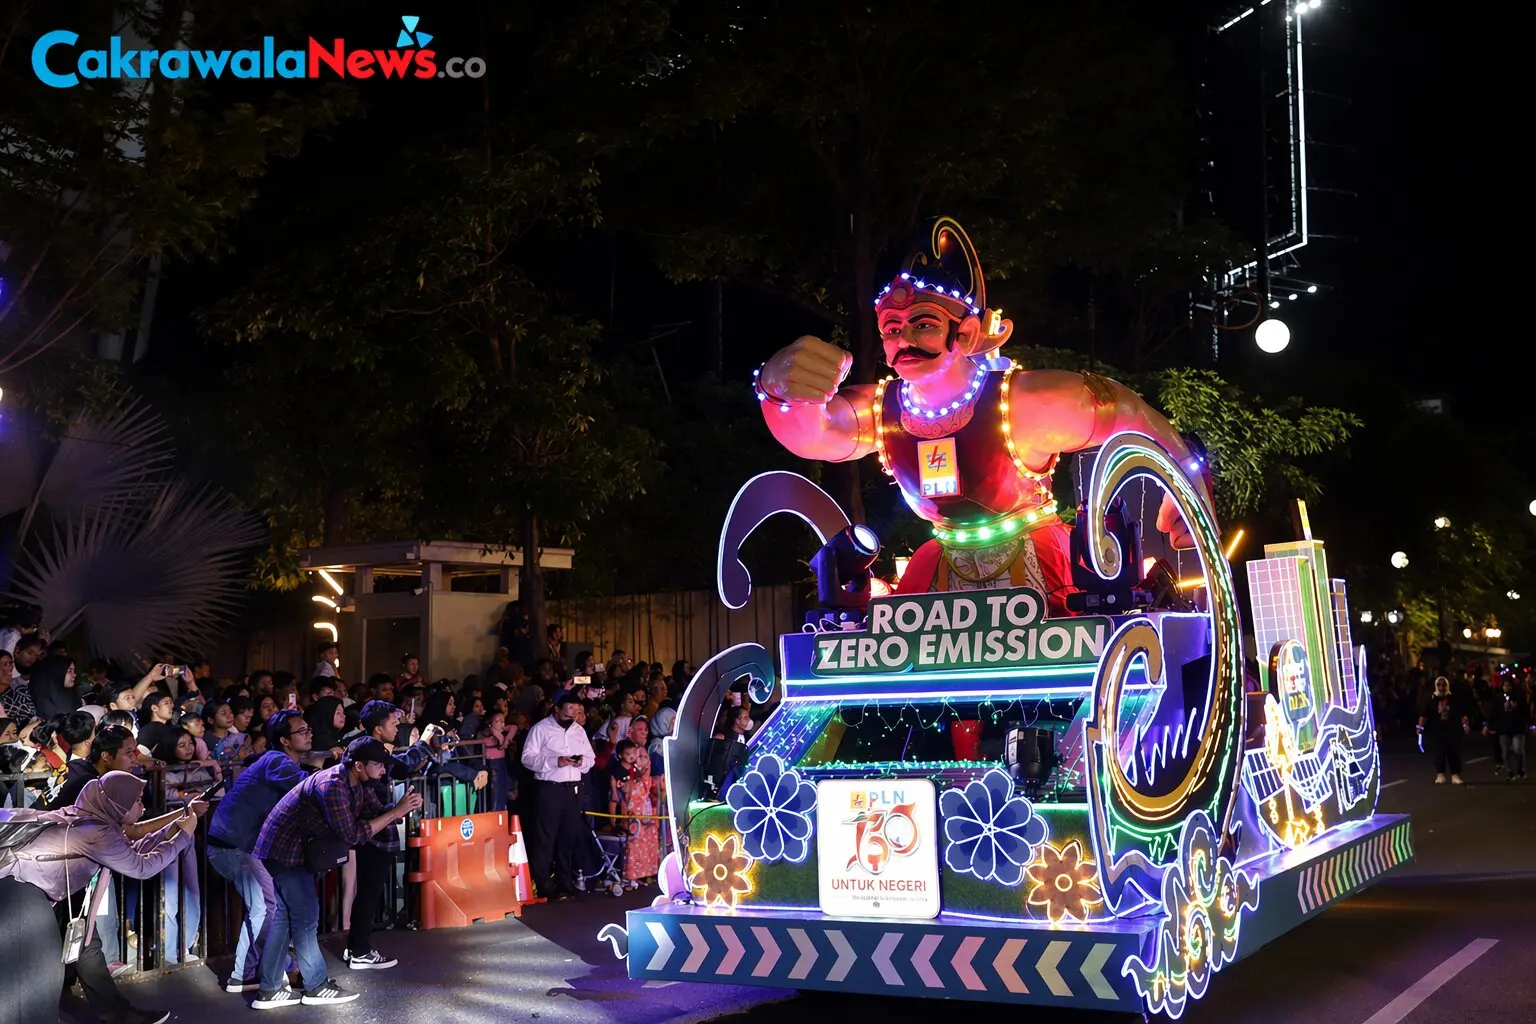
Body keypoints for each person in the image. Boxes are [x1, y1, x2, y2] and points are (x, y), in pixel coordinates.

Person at [754, 216, 1201, 601]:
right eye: (891, 328)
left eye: (923, 324)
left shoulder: (1019, 400)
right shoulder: (881, 410)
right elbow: (815, 433)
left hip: (1039, 563)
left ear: (965, 333)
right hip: (938, 567)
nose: (903, 340)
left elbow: (1127, 410)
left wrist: (1186, 481)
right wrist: (779, 391)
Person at [0, 771, 203, 1024]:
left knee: (87, 950)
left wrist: (174, 828)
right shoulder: (96, 832)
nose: (142, 805)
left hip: (45, 894)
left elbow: (131, 849)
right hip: (21, 897)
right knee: (39, 978)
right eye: (136, 800)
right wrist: (183, 836)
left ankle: (120, 1016)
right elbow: (141, 867)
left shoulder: (93, 820)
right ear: (117, 804)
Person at [250, 736, 422, 1008]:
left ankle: (269, 989)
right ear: (358, 765)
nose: (383, 770)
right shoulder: (332, 785)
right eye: (378, 764)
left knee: (286, 917)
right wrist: (395, 813)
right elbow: (352, 834)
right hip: (283, 850)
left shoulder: (359, 783)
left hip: (294, 850)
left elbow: (374, 813)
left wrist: (402, 806)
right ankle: (316, 986)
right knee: (306, 916)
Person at [207, 709, 312, 993]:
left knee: (268, 906)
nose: (308, 734)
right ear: (284, 740)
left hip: (239, 844)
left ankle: (271, 967)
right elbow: (306, 786)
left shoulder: (275, 762)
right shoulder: (276, 760)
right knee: (265, 907)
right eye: (302, 731)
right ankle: (245, 974)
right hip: (233, 845)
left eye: (309, 729)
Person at [521, 693, 594, 900]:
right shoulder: (541, 729)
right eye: (569, 708)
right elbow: (527, 758)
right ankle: (543, 885)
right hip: (550, 787)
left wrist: (581, 762)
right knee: (546, 837)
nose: (573, 713)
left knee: (568, 836)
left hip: (573, 789)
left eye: (577, 710)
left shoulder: (578, 731)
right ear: (557, 708)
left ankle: (565, 882)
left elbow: (591, 758)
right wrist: (555, 762)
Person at [1419, 676, 1471, 784]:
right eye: (1439, 685)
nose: (1441, 688)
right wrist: (1420, 727)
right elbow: (1424, 715)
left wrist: (1465, 725)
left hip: (1452, 730)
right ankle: (1440, 774)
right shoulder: (1431, 700)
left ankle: (1455, 775)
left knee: (1454, 753)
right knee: (1438, 754)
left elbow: (1462, 714)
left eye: (1444, 685)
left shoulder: (1454, 700)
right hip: (1436, 731)